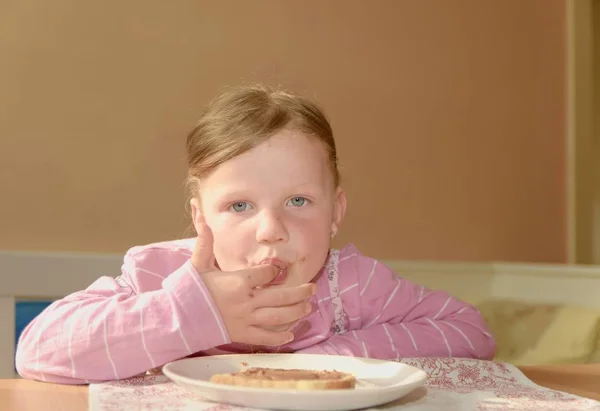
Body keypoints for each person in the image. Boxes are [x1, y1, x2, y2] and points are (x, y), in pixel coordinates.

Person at [15, 84, 496, 385]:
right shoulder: (159, 275)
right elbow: (38, 351)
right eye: (239, 206)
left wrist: (331, 359)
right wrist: (188, 314)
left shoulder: (350, 284)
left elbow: (470, 331)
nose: (271, 231)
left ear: (335, 212)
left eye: (298, 202)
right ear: (201, 219)